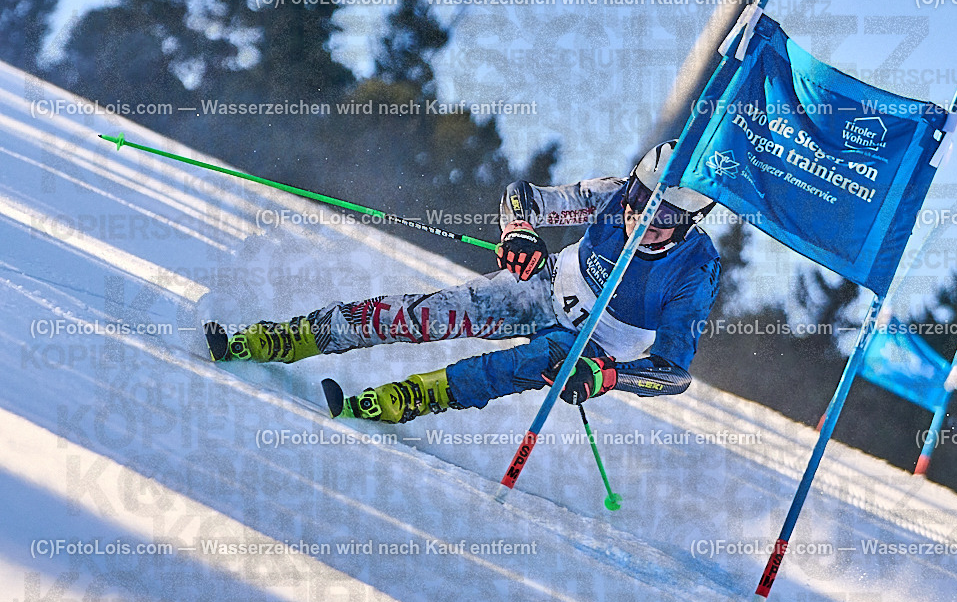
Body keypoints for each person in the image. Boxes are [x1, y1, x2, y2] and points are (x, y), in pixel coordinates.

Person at [216, 140, 721, 423]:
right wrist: (519, 232)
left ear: (690, 223)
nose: (640, 217)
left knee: (517, 364)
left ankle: (411, 397)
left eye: (663, 218)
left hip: (592, 343)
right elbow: (526, 197)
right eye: (640, 198)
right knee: (428, 313)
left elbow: (673, 375)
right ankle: (293, 336)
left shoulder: (696, 272)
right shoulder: (612, 196)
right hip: (544, 288)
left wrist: (607, 376)